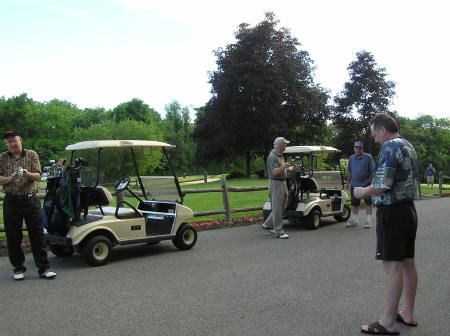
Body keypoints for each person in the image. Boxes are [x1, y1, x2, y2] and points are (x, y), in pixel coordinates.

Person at [354, 113, 419, 335]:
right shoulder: (408, 145)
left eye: (375, 134)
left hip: (392, 212)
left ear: (383, 130)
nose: (375, 140)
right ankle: (407, 313)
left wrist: (362, 191)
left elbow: (382, 185)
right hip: (408, 211)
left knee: (391, 265)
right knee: (408, 262)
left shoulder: (390, 147)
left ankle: (388, 322)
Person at [0, 130, 56, 280]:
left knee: (37, 234)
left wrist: (26, 173)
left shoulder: (32, 154)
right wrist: (10, 178)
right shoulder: (2, 157)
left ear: (20, 140)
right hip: (11, 201)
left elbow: (37, 174)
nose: (12, 143)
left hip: (30, 200)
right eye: (9, 141)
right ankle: (18, 269)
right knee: (13, 236)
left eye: (14, 140)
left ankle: (44, 268)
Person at [261, 137, 292, 239]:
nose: (286, 146)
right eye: (285, 144)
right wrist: (284, 167)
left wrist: (289, 168)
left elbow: (281, 169)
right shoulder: (272, 156)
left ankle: (267, 224)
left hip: (282, 183)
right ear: (280, 145)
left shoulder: (280, 155)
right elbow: (274, 172)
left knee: (283, 205)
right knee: (277, 208)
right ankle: (279, 231)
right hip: (276, 184)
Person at [346, 141, 375, 228]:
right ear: (354, 148)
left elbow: (372, 170)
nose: (358, 149)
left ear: (362, 148)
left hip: (366, 184)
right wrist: (348, 183)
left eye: (360, 147)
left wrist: (370, 181)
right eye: (356, 147)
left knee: (368, 203)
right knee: (354, 203)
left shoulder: (368, 157)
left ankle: (368, 222)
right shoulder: (351, 158)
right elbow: (350, 172)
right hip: (354, 184)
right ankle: (355, 221)